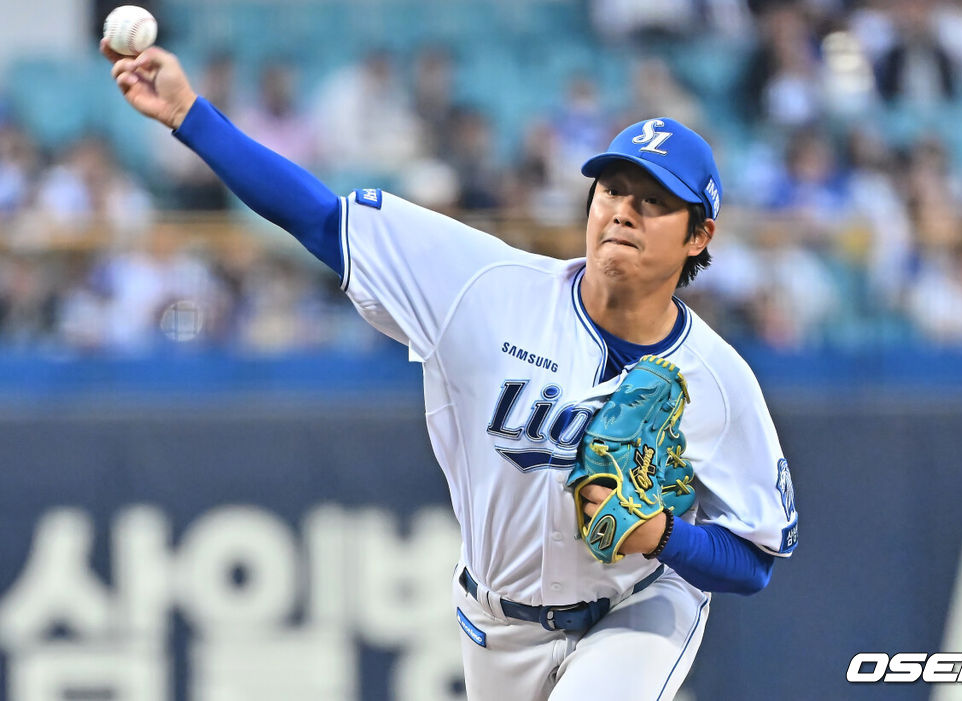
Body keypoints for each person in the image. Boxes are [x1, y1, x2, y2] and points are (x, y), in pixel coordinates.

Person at [101, 39, 798, 700]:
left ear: (699, 234)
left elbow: (755, 558)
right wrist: (193, 117)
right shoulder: (484, 288)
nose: (623, 212)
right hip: (497, 620)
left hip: (639, 605)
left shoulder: (717, 377)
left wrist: (666, 538)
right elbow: (320, 220)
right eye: (613, 190)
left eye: (653, 202)